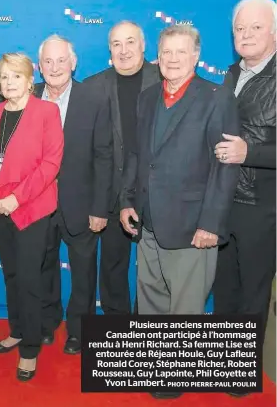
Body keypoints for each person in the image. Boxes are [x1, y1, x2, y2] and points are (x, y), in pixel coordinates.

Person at [119, 25, 239, 401]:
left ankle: (174, 378)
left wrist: (211, 224)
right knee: (152, 298)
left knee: (185, 305)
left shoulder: (217, 98)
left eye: (180, 52)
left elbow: (225, 166)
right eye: (166, 52)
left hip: (192, 225)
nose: (172, 59)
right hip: (149, 219)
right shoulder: (148, 96)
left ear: (196, 57)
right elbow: (137, 156)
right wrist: (126, 201)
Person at [0, 53, 64, 381]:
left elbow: (51, 164)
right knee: (11, 275)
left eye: (16, 76)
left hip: (31, 209)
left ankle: (30, 348)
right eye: (4, 78)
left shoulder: (46, 111)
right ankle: (17, 330)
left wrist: (14, 199)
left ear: (30, 79)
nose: (9, 83)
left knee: (28, 278)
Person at [213, 0, 276, 398]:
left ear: (273, 31)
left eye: (255, 27)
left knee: (253, 288)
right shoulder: (231, 73)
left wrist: (248, 153)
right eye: (240, 28)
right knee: (224, 286)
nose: (246, 35)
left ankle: (242, 371)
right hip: (222, 199)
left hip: (262, 206)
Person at [34, 35, 112, 355]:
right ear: (39, 67)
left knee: (82, 272)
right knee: (42, 266)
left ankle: (79, 330)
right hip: (37, 204)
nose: (55, 68)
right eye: (48, 62)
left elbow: (104, 156)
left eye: (61, 61)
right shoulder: (27, 98)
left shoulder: (93, 98)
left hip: (80, 205)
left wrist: (100, 207)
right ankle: (47, 322)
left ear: (73, 63)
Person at [84, 21, 161, 315]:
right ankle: (118, 327)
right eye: (117, 44)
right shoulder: (93, 86)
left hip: (156, 191)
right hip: (112, 194)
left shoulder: (166, 76)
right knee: (113, 267)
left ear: (143, 46)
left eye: (130, 42)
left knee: (157, 270)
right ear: (109, 50)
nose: (124, 50)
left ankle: (147, 327)